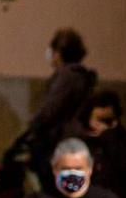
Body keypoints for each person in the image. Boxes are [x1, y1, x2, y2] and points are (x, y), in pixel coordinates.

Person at [24, 29, 96, 178]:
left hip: (59, 144)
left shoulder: (67, 78)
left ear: (58, 53)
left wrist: (32, 128)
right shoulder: (81, 77)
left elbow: (50, 110)